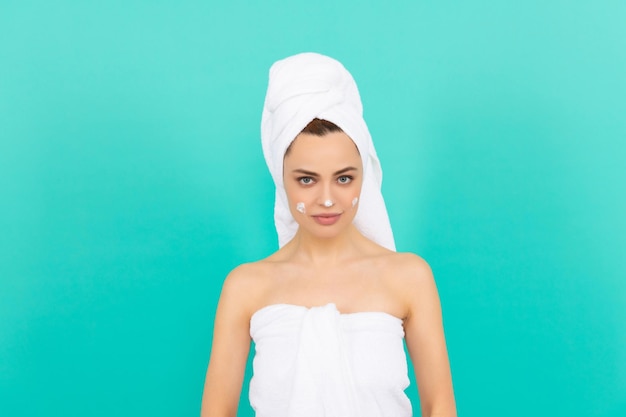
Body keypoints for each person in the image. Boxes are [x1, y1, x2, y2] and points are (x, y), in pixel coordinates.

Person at [201, 52, 456, 417]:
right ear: (281, 178)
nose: (326, 199)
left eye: (343, 178)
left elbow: (440, 407)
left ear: (362, 177)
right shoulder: (246, 286)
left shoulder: (409, 278)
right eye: (306, 179)